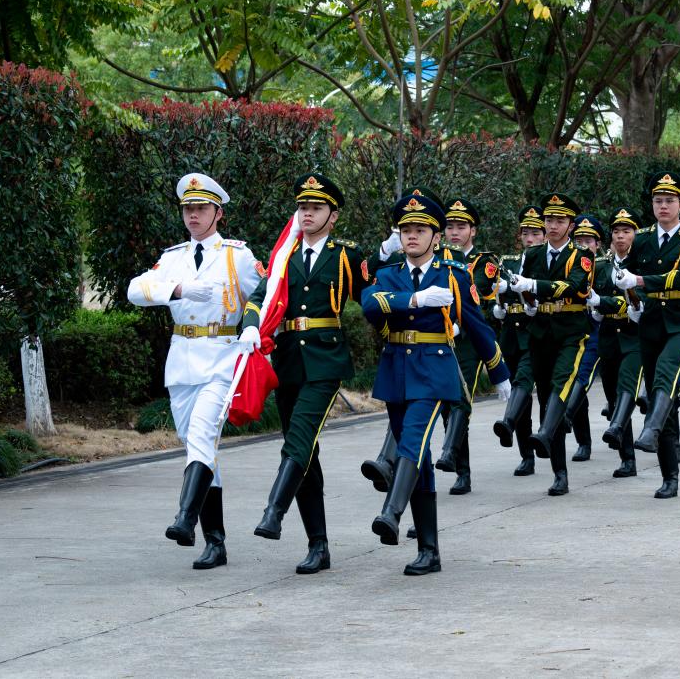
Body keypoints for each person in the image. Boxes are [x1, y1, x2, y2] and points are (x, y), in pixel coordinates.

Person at [361, 193, 511, 575]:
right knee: (419, 461)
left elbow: (476, 325)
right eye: (406, 230)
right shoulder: (388, 274)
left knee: (412, 441)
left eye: (420, 230)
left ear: (436, 237)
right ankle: (429, 550)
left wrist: (499, 371)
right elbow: (370, 305)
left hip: (433, 371)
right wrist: (415, 299)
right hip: (396, 370)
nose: (411, 236)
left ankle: (391, 513)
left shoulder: (453, 275)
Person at [128, 173, 262, 570]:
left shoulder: (236, 255)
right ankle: (215, 543)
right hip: (182, 361)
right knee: (199, 448)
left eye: (201, 208)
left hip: (222, 357)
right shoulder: (173, 258)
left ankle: (185, 519)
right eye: (188, 208)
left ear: (218, 213)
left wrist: (252, 325)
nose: (193, 215)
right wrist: (178, 290)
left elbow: (265, 292)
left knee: (202, 436)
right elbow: (135, 290)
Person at [238, 173, 368, 574]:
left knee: (298, 438)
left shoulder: (346, 255)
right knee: (304, 450)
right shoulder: (284, 256)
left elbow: (374, 297)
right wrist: (250, 325)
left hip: (326, 360)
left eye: (316, 207)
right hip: (289, 360)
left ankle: (274, 511)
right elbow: (259, 297)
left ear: (333, 215)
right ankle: (318, 545)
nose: (307, 213)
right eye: (302, 207)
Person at [615, 172, 680, 498]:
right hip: (651, 322)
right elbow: (624, 273)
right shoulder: (641, 238)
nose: (663, 206)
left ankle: (650, 428)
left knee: (667, 374)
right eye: (658, 201)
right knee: (662, 395)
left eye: (669, 201)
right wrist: (631, 299)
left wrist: (640, 282)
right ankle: (670, 476)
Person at [506, 193, 595, 496]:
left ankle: (557, 466)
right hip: (540, 333)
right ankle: (558, 470)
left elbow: (574, 286)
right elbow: (527, 294)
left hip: (570, 333)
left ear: (571, 225)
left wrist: (533, 286)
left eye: (559, 220)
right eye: (549, 220)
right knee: (545, 397)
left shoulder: (581, 255)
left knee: (560, 385)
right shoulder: (533, 255)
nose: (553, 226)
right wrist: (527, 300)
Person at [433, 198, 501, 495]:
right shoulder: (436, 258)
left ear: (473, 230)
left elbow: (478, 294)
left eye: (461, 227)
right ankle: (457, 462)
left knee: (461, 401)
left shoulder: (484, 262)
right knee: (445, 406)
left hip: (469, 342)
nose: (454, 232)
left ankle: (460, 468)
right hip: (439, 340)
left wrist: (458, 323)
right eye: (449, 227)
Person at [492, 206, 546, 476]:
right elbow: (497, 291)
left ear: (545, 236)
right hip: (511, 335)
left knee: (523, 382)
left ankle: (509, 421)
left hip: (536, 333)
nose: (530, 238)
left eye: (535, 233)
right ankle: (526, 456)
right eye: (526, 233)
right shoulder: (510, 261)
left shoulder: (548, 262)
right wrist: (498, 304)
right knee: (519, 393)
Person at [595, 207, 644, 478]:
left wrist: (603, 302)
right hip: (608, 335)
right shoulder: (602, 266)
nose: (621, 236)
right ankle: (627, 458)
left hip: (634, 334)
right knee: (613, 396)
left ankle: (625, 439)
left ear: (635, 234)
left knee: (628, 386)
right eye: (616, 232)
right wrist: (594, 307)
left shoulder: (643, 263)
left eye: (626, 231)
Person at [566, 215, 606, 462]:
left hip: (602, 330)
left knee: (594, 380)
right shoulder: (568, 266)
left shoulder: (604, 267)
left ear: (598, 244)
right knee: (578, 379)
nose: (583, 245)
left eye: (588, 241)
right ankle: (583, 441)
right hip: (576, 329)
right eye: (578, 240)